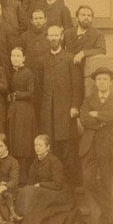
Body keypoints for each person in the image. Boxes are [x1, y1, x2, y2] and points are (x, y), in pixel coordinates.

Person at [17, 135, 82, 224]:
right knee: (27, 190)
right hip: (46, 192)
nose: (37, 148)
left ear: (48, 147)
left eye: (40, 145)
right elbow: (31, 181)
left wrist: (40, 185)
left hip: (60, 194)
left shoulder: (54, 161)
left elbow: (58, 184)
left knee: (38, 194)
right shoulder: (36, 161)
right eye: (35, 145)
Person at [39, 25, 83, 189]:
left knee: (68, 148)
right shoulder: (43, 60)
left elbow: (77, 86)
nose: (53, 38)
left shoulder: (69, 58)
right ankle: (54, 183)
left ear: (61, 37)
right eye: (50, 36)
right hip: (47, 112)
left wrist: (75, 106)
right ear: (47, 38)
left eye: (56, 35)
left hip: (65, 112)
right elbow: (40, 87)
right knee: (52, 146)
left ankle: (71, 184)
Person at [79, 67, 113, 224]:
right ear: (95, 83)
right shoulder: (89, 100)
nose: (102, 82)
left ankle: (105, 221)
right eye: (99, 80)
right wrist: (104, 119)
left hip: (108, 147)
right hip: (90, 147)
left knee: (107, 182)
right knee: (89, 180)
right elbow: (84, 119)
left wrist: (97, 114)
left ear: (110, 81)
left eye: (105, 79)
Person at [7, 47, 37, 185]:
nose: (15, 58)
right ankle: (15, 181)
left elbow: (31, 93)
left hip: (25, 112)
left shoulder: (28, 73)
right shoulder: (12, 72)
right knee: (14, 143)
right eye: (13, 55)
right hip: (14, 111)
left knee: (23, 145)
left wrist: (16, 95)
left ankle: (24, 182)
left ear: (24, 58)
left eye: (18, 56)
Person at [17, 9, 50, 118]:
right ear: (31, 21)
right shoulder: (24, 37)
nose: (38, 21)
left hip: (46, 76)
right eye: (36, 19)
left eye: (41, 18)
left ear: (45, 20)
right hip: (30, 78)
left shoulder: (50, 36)